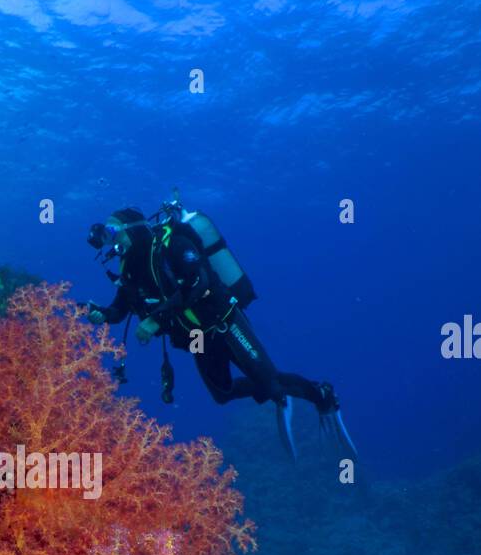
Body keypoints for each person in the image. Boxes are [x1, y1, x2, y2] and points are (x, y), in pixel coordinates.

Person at [86, 198, 357, 462]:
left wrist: (157, 319)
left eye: (113, 233)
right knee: (222, 394)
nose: (112, 242)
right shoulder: (129, 272)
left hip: (224, 321)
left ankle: (320, 394)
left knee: (269, 379)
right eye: (106, 237)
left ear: (133, 228)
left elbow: (198, 283)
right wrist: (103, 314)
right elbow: (119, 310)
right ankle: (273, 390)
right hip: (197, 337)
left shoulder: (172, 244)